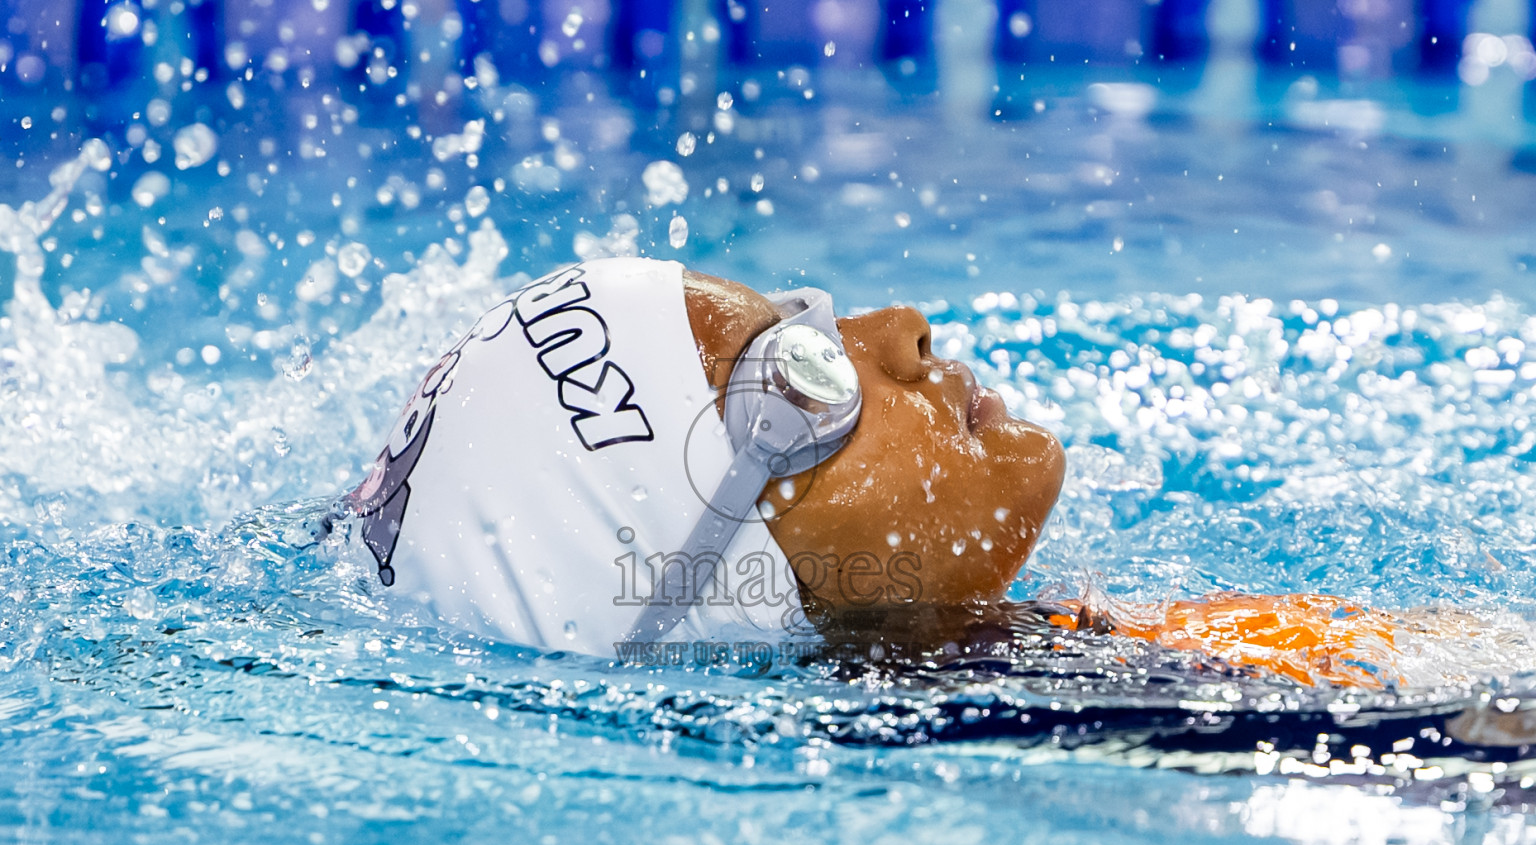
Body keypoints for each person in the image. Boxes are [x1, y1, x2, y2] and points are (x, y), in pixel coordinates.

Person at [333, 256, 1445, 688]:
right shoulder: (1103, 717)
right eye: (801, 380)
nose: (899, 331)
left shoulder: (1084, 664)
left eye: (804, 319)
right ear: (730, 582)